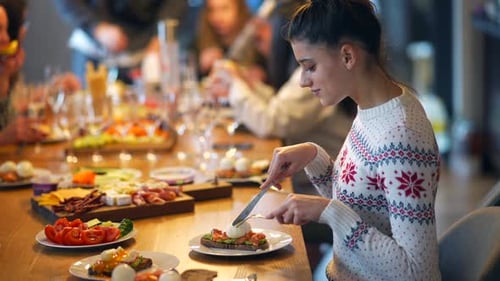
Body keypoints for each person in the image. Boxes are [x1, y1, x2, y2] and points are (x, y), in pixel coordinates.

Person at [258, 1, 441, 280]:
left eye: (310, 67)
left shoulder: (401, 137)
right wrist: (313, 156)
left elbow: (417, 273)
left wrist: (329, 213)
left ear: (347, 56)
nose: (303, 82)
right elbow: (363, 208)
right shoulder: (373, 109)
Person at [52, 0, 190, 85]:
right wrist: (98, 28)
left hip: (145, 49)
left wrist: (159, 38)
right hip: (93, 49)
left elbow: (175, 4)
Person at [194, 0, 266, 80]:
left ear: (240, 9)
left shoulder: (257, 37)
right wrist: (201, 69)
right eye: (211, 10)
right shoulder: (202, 42)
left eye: (225, 9)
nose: (217, 17)